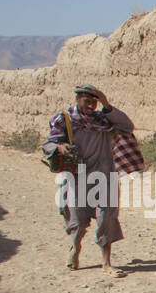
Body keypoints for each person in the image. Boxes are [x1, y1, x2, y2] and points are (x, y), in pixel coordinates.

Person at [43, 84, 136, 276]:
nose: (91, 105)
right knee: (78, 220)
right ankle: (75, 248)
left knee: (106, 217)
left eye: (95, 102)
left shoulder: (104, 119)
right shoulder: (65, 120)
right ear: (78, 100)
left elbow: (127, 125)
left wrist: (107, 105)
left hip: (105, 174)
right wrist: (60, 148)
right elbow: (48, 143)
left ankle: (106, 263)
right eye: (87, 101)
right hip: (78, 176)